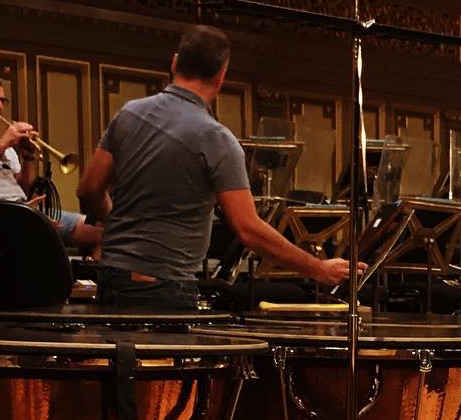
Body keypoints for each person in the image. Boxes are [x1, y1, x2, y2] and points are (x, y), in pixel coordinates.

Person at [78, 24, 351, 310]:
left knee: (122, 355)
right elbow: (248, 229)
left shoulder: (128, 114)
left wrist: (114, 223)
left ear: (174, 63)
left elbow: (88, 189)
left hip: (110, 277)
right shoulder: (216, 140)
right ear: (221, 78)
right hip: (162, 287)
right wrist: (318, 268)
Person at [0, 74, 100, 253]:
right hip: (0, 214)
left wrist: (28, 156)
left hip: (26, 208)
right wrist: (5, 141)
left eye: (3, 101)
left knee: (103, 230)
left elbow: (28, 189)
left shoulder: (6, 147)